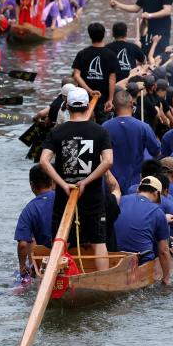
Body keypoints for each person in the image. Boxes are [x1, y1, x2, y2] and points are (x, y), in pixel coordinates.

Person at [39, 87, 114, 272]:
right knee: (98, 241)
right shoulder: (100, 131)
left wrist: (63, 183)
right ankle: (103, 280)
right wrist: (86, 181)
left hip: (65, 195)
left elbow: (43, 161)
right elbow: (108, 161)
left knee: (61, 241)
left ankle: (61, 276)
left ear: (67, 106)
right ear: (88, 106)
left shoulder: (57, 132)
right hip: (92, 195)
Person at [112, 175, 172, 285]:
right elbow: (163, 251)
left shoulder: (121, 200)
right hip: (142, 260)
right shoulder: (158, 211)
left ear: (138, 190)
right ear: (156, 194)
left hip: (114, 257)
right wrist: (166, 278)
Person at [102, 89, 161, 191]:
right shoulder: (143, 127)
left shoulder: (104, 127)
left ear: (114, 106)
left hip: (110, 183)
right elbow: (156, 151)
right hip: (134, 182)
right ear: (132, 104)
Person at [13, 165, 56, 274]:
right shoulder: (66, 199)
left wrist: (22, 266)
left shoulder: (29, 209)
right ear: (52, 180)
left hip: (45, 261)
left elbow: (22, 245)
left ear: (32, 185)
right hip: (69, 253)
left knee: (31, 237)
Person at [71, 21, 119, 118]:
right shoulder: (111, 55)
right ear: (104, 34)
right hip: (103, 99)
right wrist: (110, 100)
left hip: (83, 98)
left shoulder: (82, 54)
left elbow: (76, 75)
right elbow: (112, 79)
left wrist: (89, 91)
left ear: (90, 35)